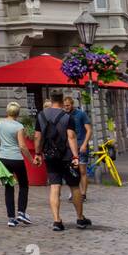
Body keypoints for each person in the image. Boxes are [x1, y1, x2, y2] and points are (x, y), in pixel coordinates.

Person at [34, 90, 91, 231]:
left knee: (54, 187)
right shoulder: (67, 116)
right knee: (74, 186)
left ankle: (57, 221)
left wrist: (37, 153)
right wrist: (76, 156)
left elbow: (37, 136)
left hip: (50, 156)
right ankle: (80, 218)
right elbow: (71, 137)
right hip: (66, 156)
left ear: (51, 99)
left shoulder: (41, 115)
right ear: (61, 100)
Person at [0, 102, 34, 227]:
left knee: (8, 188)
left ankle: (11, 218)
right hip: (16, 158)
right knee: (24, 185)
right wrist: (31, 160)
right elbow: (22, 146)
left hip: (3, 158)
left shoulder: (0, 123)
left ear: (7, 111)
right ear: (18, 113)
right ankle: (21, 212)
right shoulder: (19, 126)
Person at [63, 94, 92, 204]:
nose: (66, 107)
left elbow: (89, 130)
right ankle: (74, 192)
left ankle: (83, 194)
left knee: (82, 171)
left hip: (81, 145)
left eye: (68, 105)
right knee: (72, 171)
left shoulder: (81, 114)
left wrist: (85, 144)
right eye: (65, 106)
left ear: (72, 104)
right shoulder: (64, 116)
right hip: (69, 148)